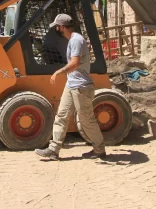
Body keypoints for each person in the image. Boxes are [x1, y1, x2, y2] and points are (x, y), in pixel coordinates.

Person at [35, 14, 106, 160]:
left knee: (87, 120)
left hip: (81, 87)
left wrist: (59, 71)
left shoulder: (76, 40)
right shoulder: (72, 40)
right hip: (71, 85)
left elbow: (75, 63)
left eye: (57, 26)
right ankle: (53, 149)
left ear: (61, 27)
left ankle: (99, 149)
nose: (56, 29)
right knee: (61, 116)